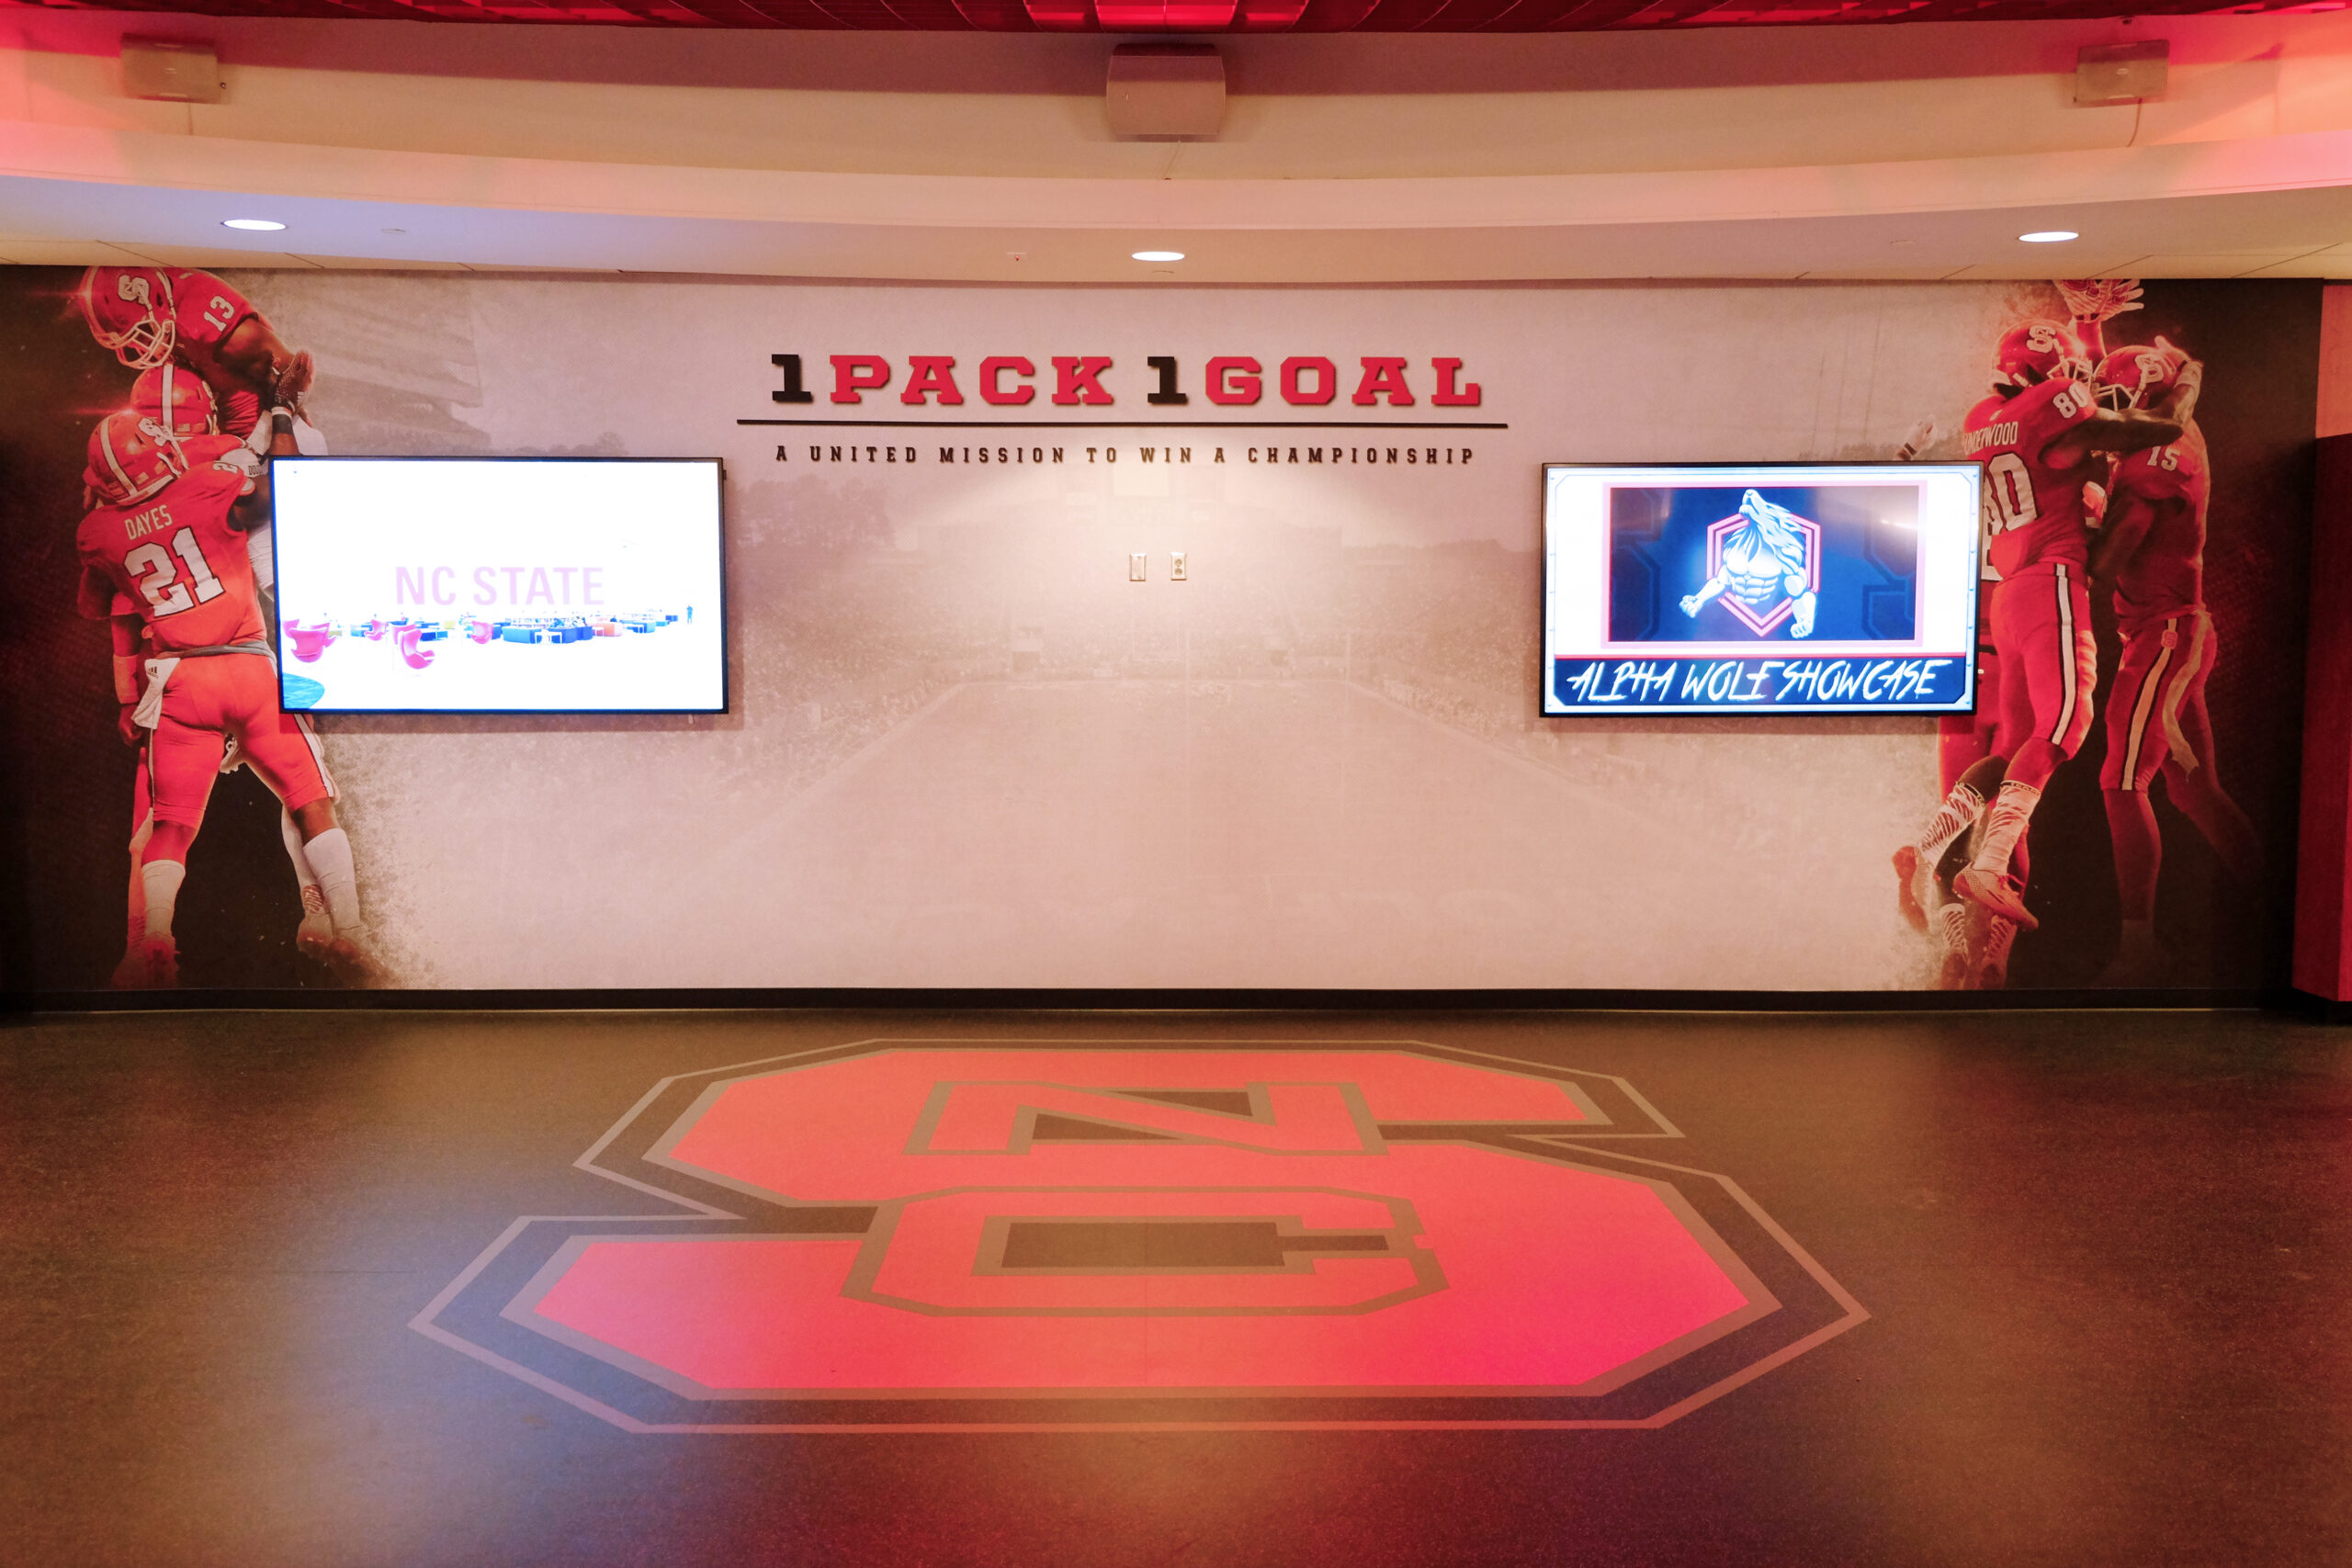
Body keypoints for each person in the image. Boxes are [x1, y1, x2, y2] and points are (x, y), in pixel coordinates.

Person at [74, 408, 376, 988]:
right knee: (310, 799)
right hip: (245, 667)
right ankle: (347, 930)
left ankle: (156, 936)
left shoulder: (97, 534)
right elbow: (289, 487)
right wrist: (279, 419)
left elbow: (97, 604)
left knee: (171, 825)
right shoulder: (203, 483)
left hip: (178, 682)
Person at [1945, 317, 2181, 932]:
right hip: (2052, 580)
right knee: (2065, 725)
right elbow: (2138, 431)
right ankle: (1989, 863)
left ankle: (1932, 848)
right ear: (2046, 373)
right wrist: (2175, 395)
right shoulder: (2052, 404)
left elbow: (2062, 448)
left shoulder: (1978, 418)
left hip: (2010, 593)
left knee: (2016, 742)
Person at [2089, 338, 2261, 983]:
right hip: (2176, 631)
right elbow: (2182, 398)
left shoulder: (2148, 465)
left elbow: (2107, 563)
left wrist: (2071, 531)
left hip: (2162, 638)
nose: (2103, 417)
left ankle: (2139, 950)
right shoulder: (2181, 428)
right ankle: (2265, 903)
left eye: (2114, 400)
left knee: (2121, 779)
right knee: (2194, 790)